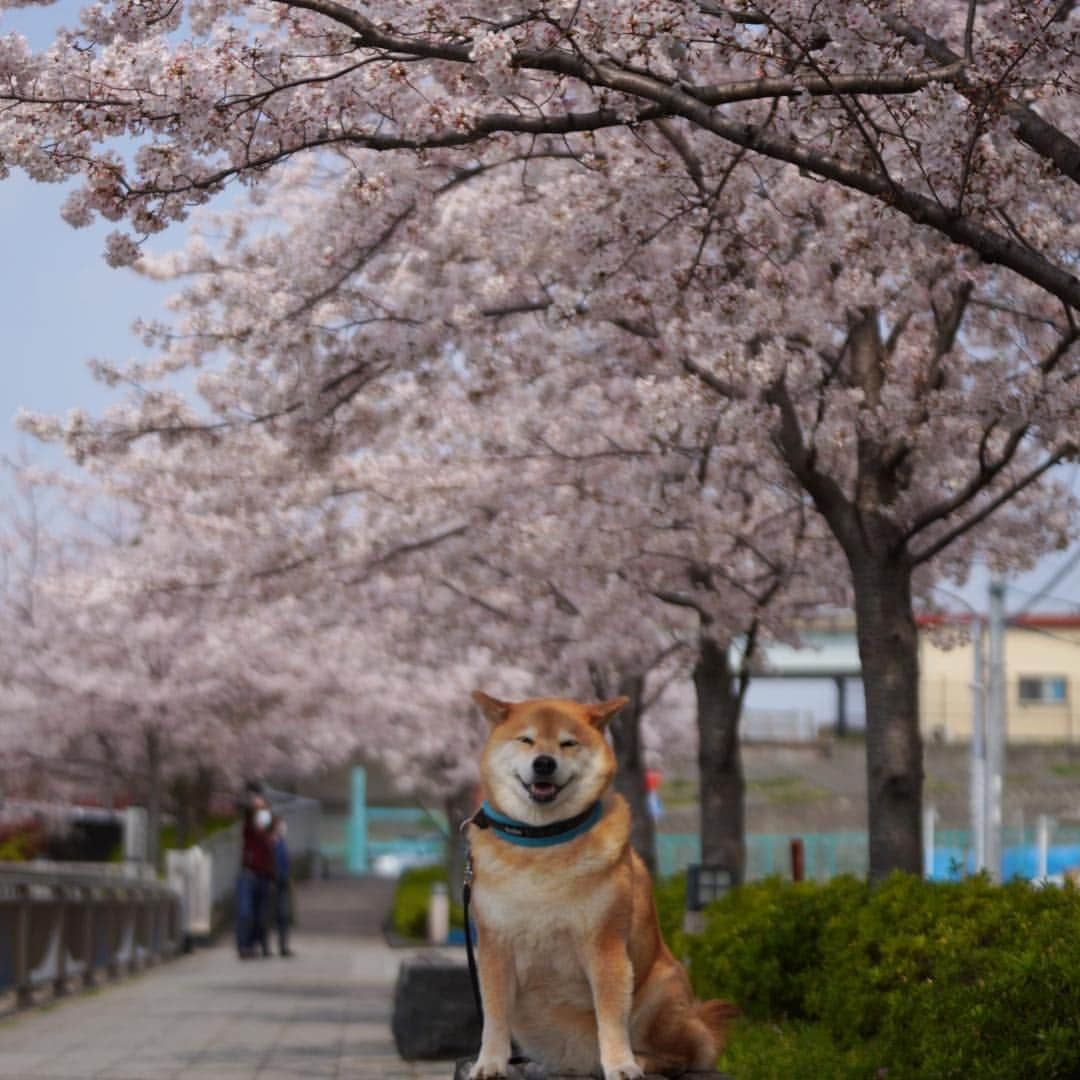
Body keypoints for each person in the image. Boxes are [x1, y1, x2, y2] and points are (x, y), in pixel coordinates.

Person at [236, 782, 274, 959]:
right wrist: (253, 807)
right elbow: (248, 816)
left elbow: (269, 830)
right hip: (249, 873)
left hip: (264, 874)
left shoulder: (268, 824)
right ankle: (244, 946)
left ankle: (254, 944)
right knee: (246, 912)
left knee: (260, 915)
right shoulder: (249, 824)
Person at [271, 818, 294, 957]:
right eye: (279, 826)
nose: (282, 829)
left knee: (283, 915)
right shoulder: (271, 842)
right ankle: (265, 946)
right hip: (271, 881)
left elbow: (286, 863)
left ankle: (283, 945)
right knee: (269, 915)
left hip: (283, 882)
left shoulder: (282, 843)